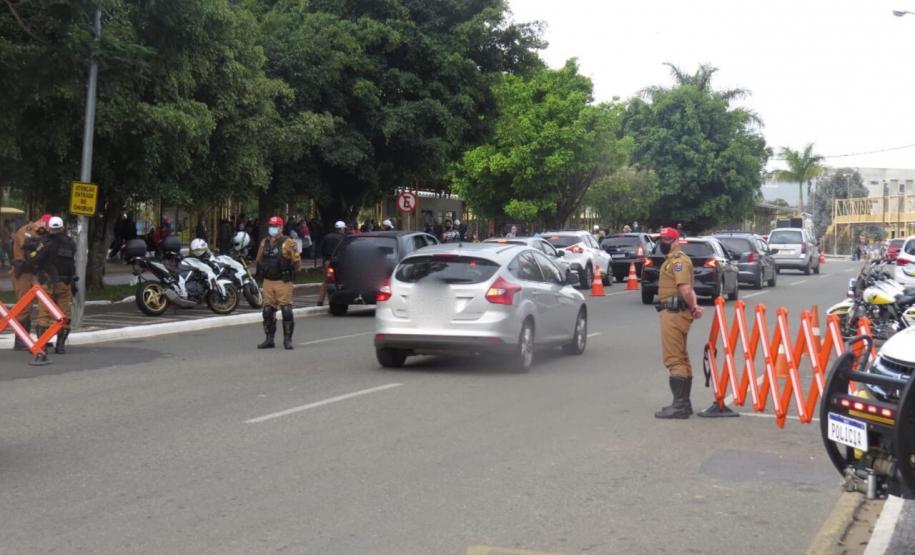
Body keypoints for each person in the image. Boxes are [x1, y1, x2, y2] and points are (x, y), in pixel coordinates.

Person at [654, 226, 703, 419]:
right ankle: (684, 403)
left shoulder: (678, 261)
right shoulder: (673, 261)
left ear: (676, 241)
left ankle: (680, 406)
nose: (662, 243)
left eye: (666, 240)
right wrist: (694, 307)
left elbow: (685, 289)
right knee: (681, 358)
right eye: (661, 239)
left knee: (674, 358)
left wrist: (693, 307)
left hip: (674, 313)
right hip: (675, 311)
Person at [27, 216, 76, 363]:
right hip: (65, 283)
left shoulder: (45, 242)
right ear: (61, 228)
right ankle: (60, 346)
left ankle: (43, 345)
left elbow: (35, 258)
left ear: (50, 228)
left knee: (44, 314)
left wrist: (30, 253)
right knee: (64, 314)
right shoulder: (71, 243)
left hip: (48, 283)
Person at [255, 216, 301, 350]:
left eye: (275, 226)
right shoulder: (264, 242)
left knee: (286, 310)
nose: (272, 228)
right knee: (267, 311)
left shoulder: (289, 242)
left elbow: (297, 262)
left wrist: (289, 271)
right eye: (271, 226)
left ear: (281, 227)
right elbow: (259, 259)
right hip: (268, 280)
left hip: (283, 281)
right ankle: (269, 339)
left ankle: (287, 340)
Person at [9, 214, 51, 350]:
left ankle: (31, 338)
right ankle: (20, 340)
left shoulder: (41, 232)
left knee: (35, 305)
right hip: (22, 272)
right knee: (23, 306)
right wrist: (41, 242)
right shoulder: (25, 230)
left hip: (33, 272)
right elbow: (26, 244)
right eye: (47, 226)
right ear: (43, 222)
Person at [316, 221, 346, 306]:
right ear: (342, 228)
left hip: (327, 262)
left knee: (327, 280)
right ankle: (336, 301)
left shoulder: (327, 237)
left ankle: (320, 300)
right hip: (339, 262)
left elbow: (322, 249)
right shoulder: (344, 238)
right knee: (340, 280)